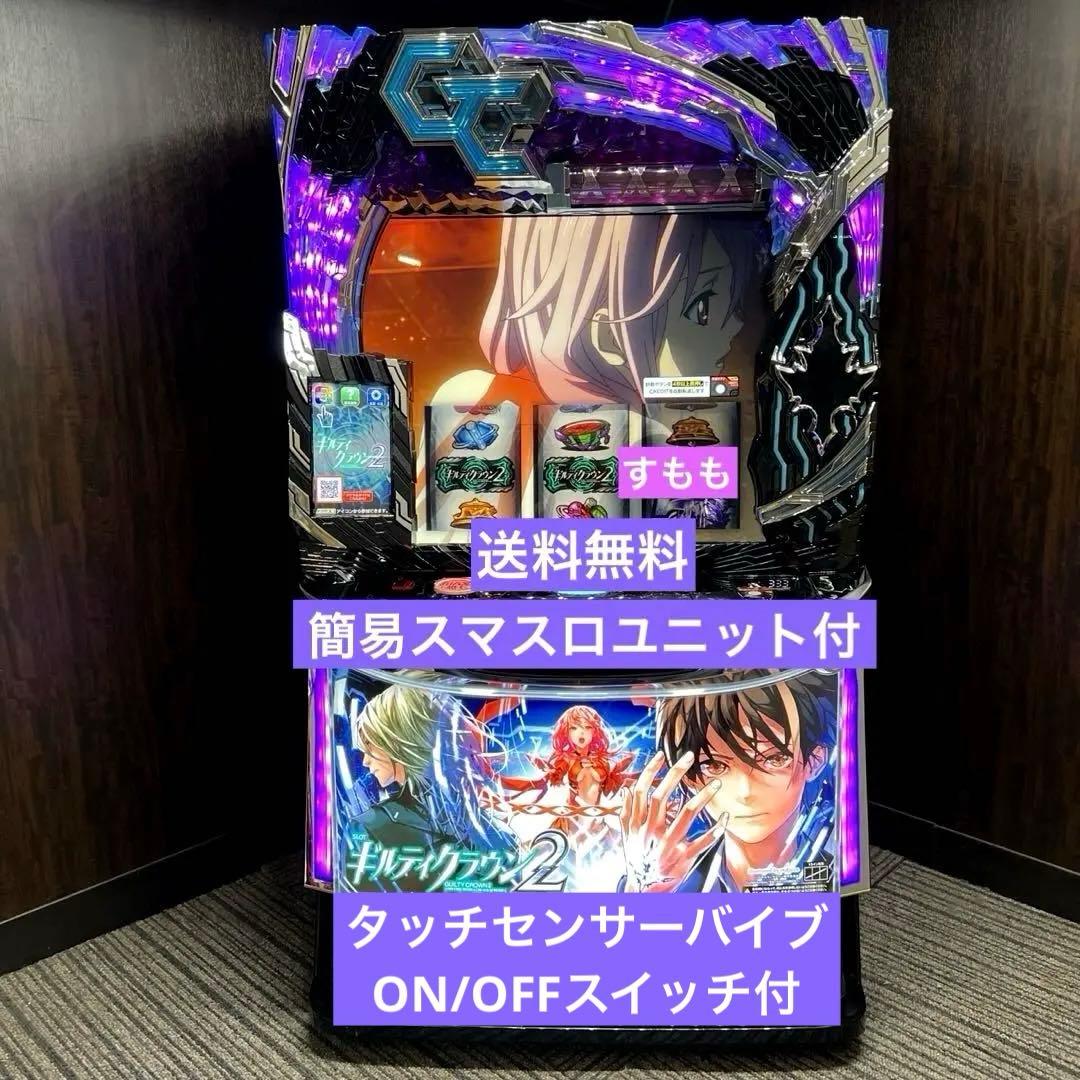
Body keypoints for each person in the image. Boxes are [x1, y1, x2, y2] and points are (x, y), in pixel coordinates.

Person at [620, 671, 837, 892]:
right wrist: (642, 894)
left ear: (815, 760)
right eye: (715, 766)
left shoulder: (838, 875)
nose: (745, 791)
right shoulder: (661, 885)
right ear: (688, 776)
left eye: (774, 759)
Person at [344, 680, 517, 889]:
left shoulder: (371, 826)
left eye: (370, 746)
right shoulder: (370, 826)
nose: (365, 761)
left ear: (400, 742)